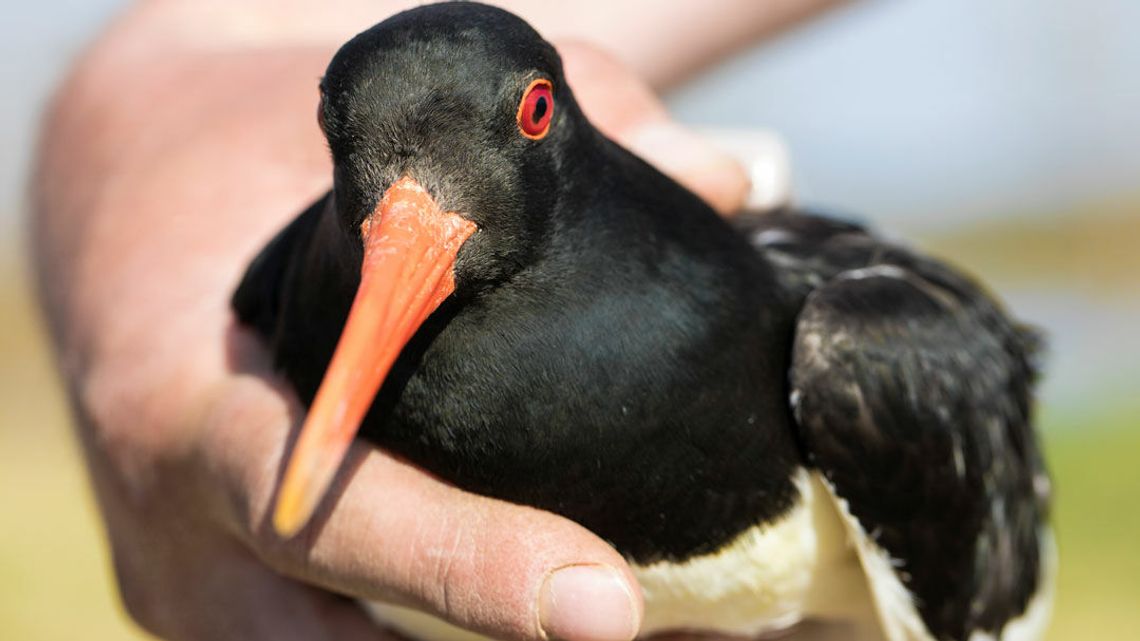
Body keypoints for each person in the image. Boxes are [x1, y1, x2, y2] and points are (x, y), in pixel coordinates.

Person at [31, 1, 840, 640]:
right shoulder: (277, 285)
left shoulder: (828, 341)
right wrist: (130, 98)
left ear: (550, 115)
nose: (408, 225)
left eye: (529, 114)